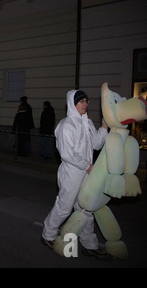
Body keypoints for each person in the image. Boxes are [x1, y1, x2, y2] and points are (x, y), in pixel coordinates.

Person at [41, 89, 111, 260]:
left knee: (86, 209)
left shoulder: (86, 123)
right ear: (73, 103)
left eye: (86, 101)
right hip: (71, 173)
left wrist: (103, 128)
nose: (85, 104)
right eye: (81, 101)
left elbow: (96, 144)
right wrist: (87, 165)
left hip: (87, 172)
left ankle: (90, 244)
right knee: (65, 207)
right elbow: (67, 153)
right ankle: (48, 234)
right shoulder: (66, 125)